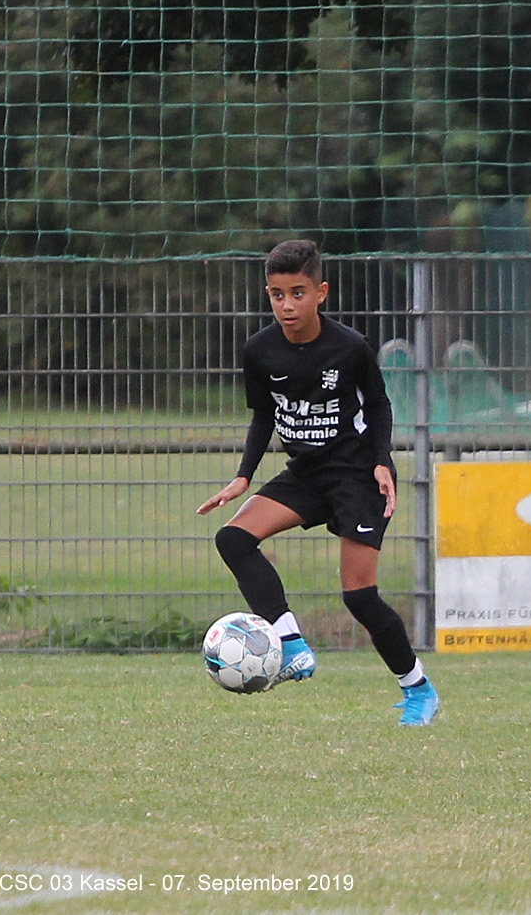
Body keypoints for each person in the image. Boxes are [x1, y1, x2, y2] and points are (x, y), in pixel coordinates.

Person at [197, 238, 439, 726]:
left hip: (355, 478)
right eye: (277, 294)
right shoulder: (259, 350)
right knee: (233, 538)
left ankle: (418, 689)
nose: (287, 304)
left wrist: (382, 463)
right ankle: (291, 643)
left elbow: (379, 405)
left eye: (298, 292)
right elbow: (264, 414)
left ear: (321, 292)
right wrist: (244, 476)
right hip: (305, 475)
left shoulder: (349, 347)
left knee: (359, 596)